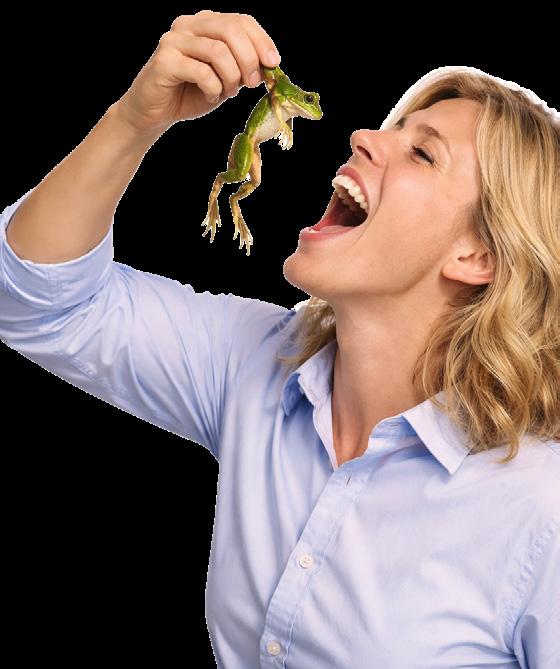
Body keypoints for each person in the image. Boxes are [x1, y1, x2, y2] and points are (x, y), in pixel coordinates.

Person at [1, 9, 558, 668]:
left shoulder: (538, 511)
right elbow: (44, 304)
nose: (364, 137)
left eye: (422, 152)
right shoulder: (256, 362)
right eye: (392, 128)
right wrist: (134, 120)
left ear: (478, 255)